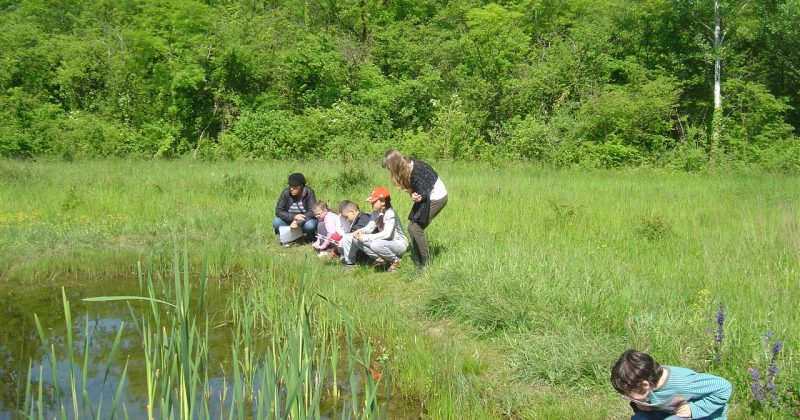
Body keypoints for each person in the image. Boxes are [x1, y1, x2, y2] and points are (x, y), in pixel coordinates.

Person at [611, 349, 733, 420]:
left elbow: (724, 387)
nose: (629, 398)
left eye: (630, 395)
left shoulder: (683, 383)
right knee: (640, 418)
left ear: (645, 385)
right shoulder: (651, 379)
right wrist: (641, 406)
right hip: (669, 411)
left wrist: (694, 409)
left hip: (705, 415)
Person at [381, 149, 448, 268]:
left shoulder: (417, 170)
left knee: (415, 228)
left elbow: (423, 192)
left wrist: (418, 197)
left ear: (394, 164)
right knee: (412, 228)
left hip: (437, 197)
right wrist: (413, 195)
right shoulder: (405, 169)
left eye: (389, 168)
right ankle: (419, 260)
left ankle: (425, 262)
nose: (389, 171)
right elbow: (414, 190)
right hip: (427, 198)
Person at [343, 187, 408, 272]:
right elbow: (369, 228)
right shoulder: (375, 213)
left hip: (398, 243)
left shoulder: (390, 213)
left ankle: (395, 260)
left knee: (375, 244)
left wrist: (365, 237)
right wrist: (360, 231)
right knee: (356, 240)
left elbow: (386, 234)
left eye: (374, 202)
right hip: (384, 242)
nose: (371, 204)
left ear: (383, 202)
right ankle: (381, 260)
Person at [273, 173, 317, 246]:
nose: (291, 189)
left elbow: (312, 211)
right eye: (290, 186)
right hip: (290, 222)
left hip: (304, 222)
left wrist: (297, 222)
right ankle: (287, 237)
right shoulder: (285, 192)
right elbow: (278, 211)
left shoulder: (309, 192)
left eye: (295, 186)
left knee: (311, 225)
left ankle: (309, 237)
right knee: (276, 221)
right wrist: (294, 216)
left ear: (301, 186)